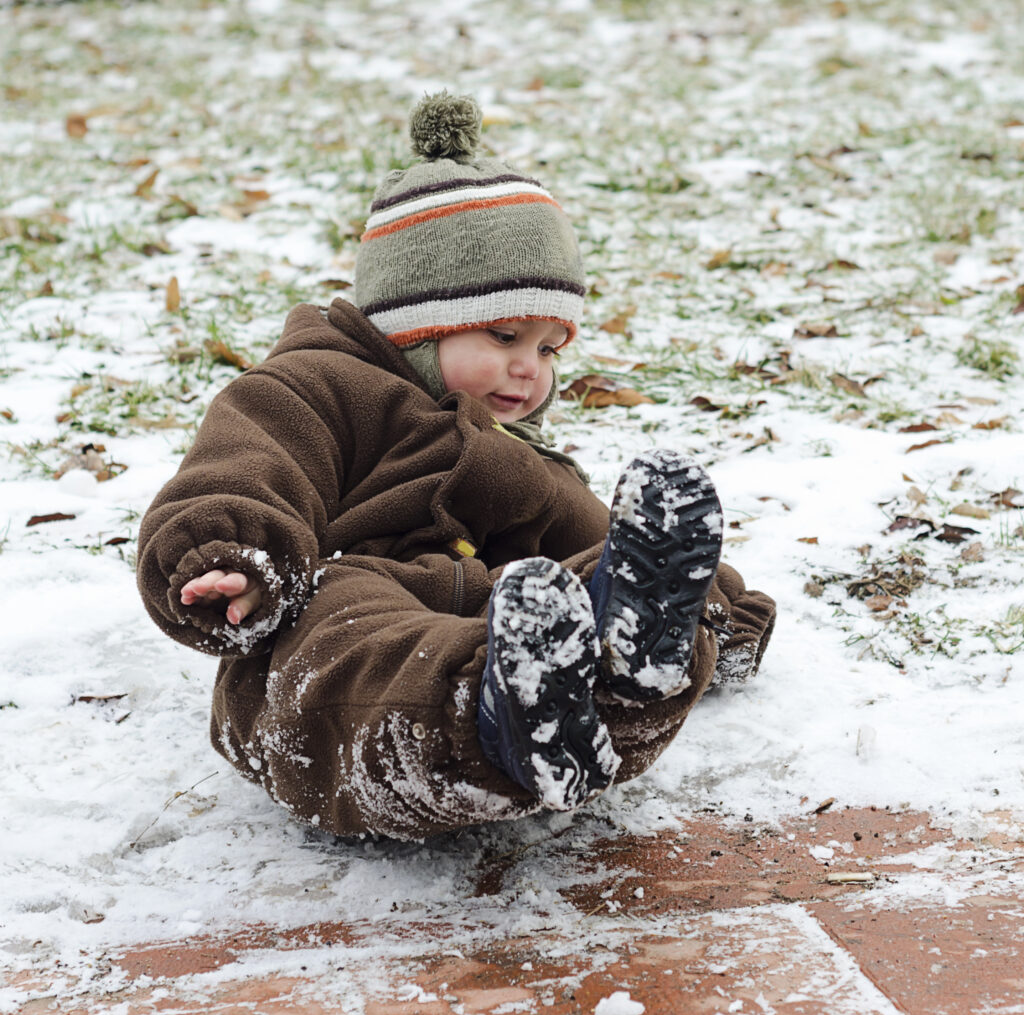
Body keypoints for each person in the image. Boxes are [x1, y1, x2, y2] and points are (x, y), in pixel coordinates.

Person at [137, 93, 775, 840]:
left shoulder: (520, 458)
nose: (529, 368)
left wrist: (712, 606)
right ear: (415, 320)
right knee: (343, 627)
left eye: (547, 347)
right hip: (346, 610)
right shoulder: (317, 389)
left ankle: (625, 670)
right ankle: (495, 715)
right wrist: (231, 556)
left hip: (510, 618)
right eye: (504, 334)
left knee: (575, 586)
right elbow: (245, 466)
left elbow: (595, 535)